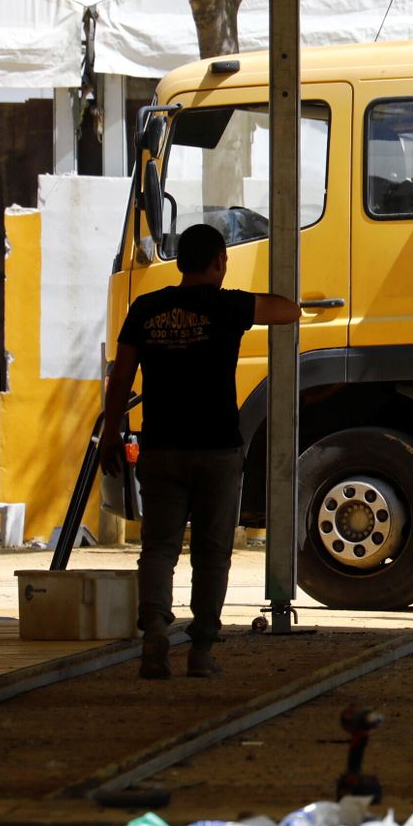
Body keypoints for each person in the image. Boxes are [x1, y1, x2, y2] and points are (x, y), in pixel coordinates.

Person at [100, 223, 301, 679]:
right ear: (220, 261)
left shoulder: (146, 307)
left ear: (180, 262)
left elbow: (121, 377)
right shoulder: (228, 305)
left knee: (158, 548)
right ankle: (202, 650)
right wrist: (240, 297)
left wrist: (111, 433)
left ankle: (154, 632)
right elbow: (289, 311)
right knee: (212, 554)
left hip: (161, 448)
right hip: (217, 449)